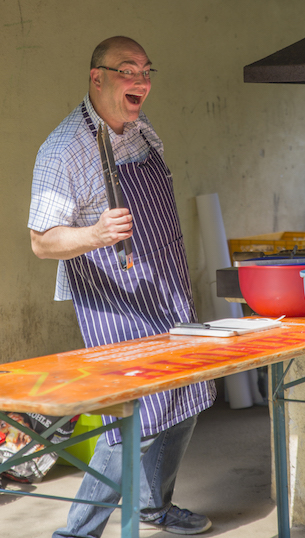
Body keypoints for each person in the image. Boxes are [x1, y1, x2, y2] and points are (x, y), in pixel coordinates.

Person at [28, 36, 216, 536]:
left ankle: (155, 505)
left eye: (147, 71)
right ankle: (77, 533)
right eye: (128, 70)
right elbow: (42, 242)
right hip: (114, 298)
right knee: (133, 418)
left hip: (164, 284)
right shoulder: (63, 150)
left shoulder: (140, 128)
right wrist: (94, 234)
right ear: (98, 77)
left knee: (187, 389)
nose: (141, 81)